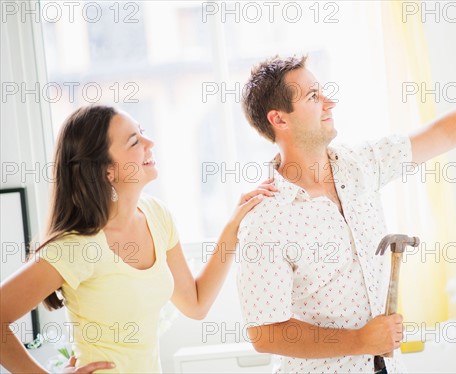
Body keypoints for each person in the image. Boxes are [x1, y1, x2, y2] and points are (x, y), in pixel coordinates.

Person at [236, 37, 456, 373]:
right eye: (313, 96)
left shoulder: (361, 164)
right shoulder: (264, 220)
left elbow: (441, 135)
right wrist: (359, 341)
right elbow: (264, 334)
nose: (329, 102)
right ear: (279, 119)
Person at [0, 105, 277, 373]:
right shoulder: (77, 247)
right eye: (134, 141)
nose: (150, 142)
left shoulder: (157, 216)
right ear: (106, 170)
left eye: (142, 132)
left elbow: (195, 303)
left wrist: (232, 228)